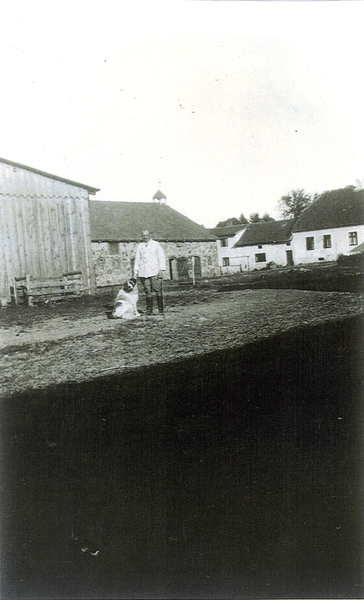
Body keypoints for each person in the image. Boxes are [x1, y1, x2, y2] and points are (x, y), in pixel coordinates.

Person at [134, 230, 166, 315]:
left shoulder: (155, 244)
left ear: (150, 235)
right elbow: (137, 259)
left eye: (146, 235)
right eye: (143, 235)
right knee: (147, 291)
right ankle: (149, 310)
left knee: (157, 290)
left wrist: (161, 270)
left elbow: (161, 257)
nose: (145, 237)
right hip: (144, 272)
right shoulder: (140, 246)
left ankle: (160, 309)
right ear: (142, 236)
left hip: (154, 271)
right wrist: (136, 271)